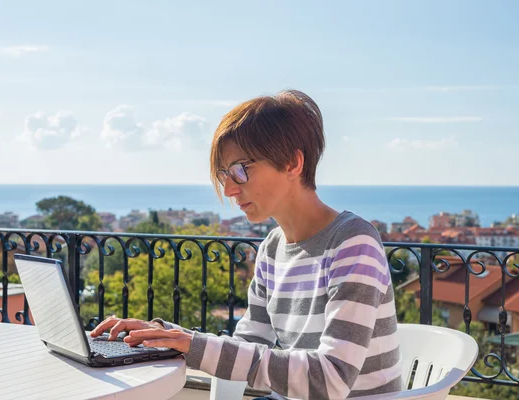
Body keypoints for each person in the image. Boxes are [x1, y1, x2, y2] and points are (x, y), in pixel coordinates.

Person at [91, 90, 402, 399]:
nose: (228, 189)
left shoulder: (353, 242)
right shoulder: (272, 248)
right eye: (224, 174)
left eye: (241, 170)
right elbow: (247, 345)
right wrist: (163, 335)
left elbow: (330, 380)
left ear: (293, 163)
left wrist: (191, 344)